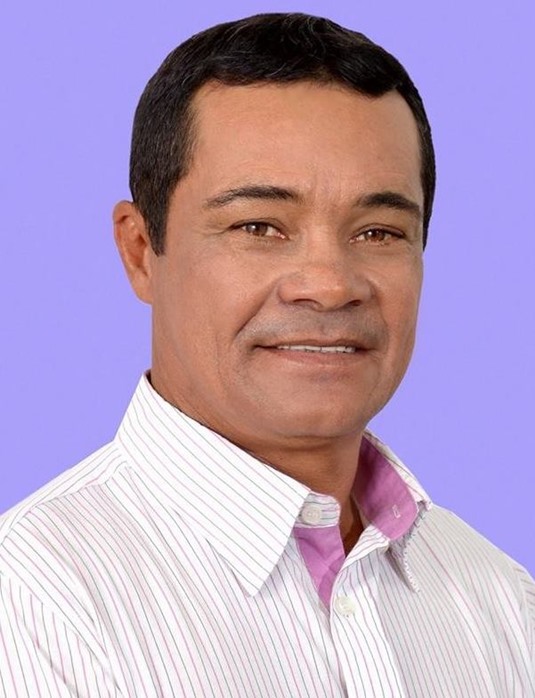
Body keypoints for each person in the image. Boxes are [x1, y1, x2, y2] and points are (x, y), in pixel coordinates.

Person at [0, 12, 533, 698]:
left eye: (378, 231)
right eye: (258, 226)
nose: (330, 285)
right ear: (140, 251)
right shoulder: (34, 601)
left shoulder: (501, 600)